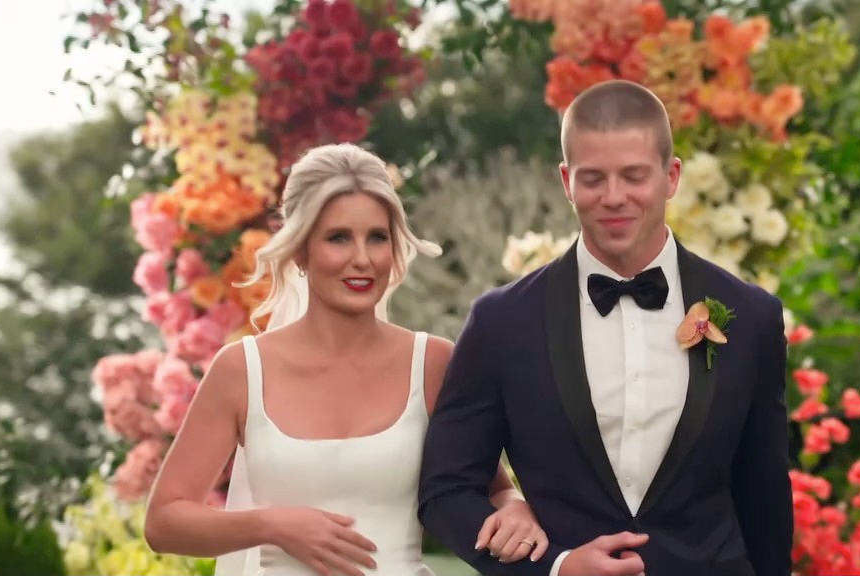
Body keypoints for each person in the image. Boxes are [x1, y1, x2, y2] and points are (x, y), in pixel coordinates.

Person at [418, 79, 793, 576]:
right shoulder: (501, 323)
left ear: (672, 176)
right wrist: (555, 567)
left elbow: (764, 495)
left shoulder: (752, 318)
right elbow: (446, 492)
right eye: (593, 179)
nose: (613, 197)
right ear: (566, 181)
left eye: (633, 176)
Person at [144, 143, 551, 576]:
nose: (363, 259)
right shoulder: (241, 370)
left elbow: (494, 492)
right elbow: (164, 521)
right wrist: (271, 524)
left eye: (377, 237)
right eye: (338, 238)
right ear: (300, 250)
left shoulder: (431, 363)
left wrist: (517, 509)